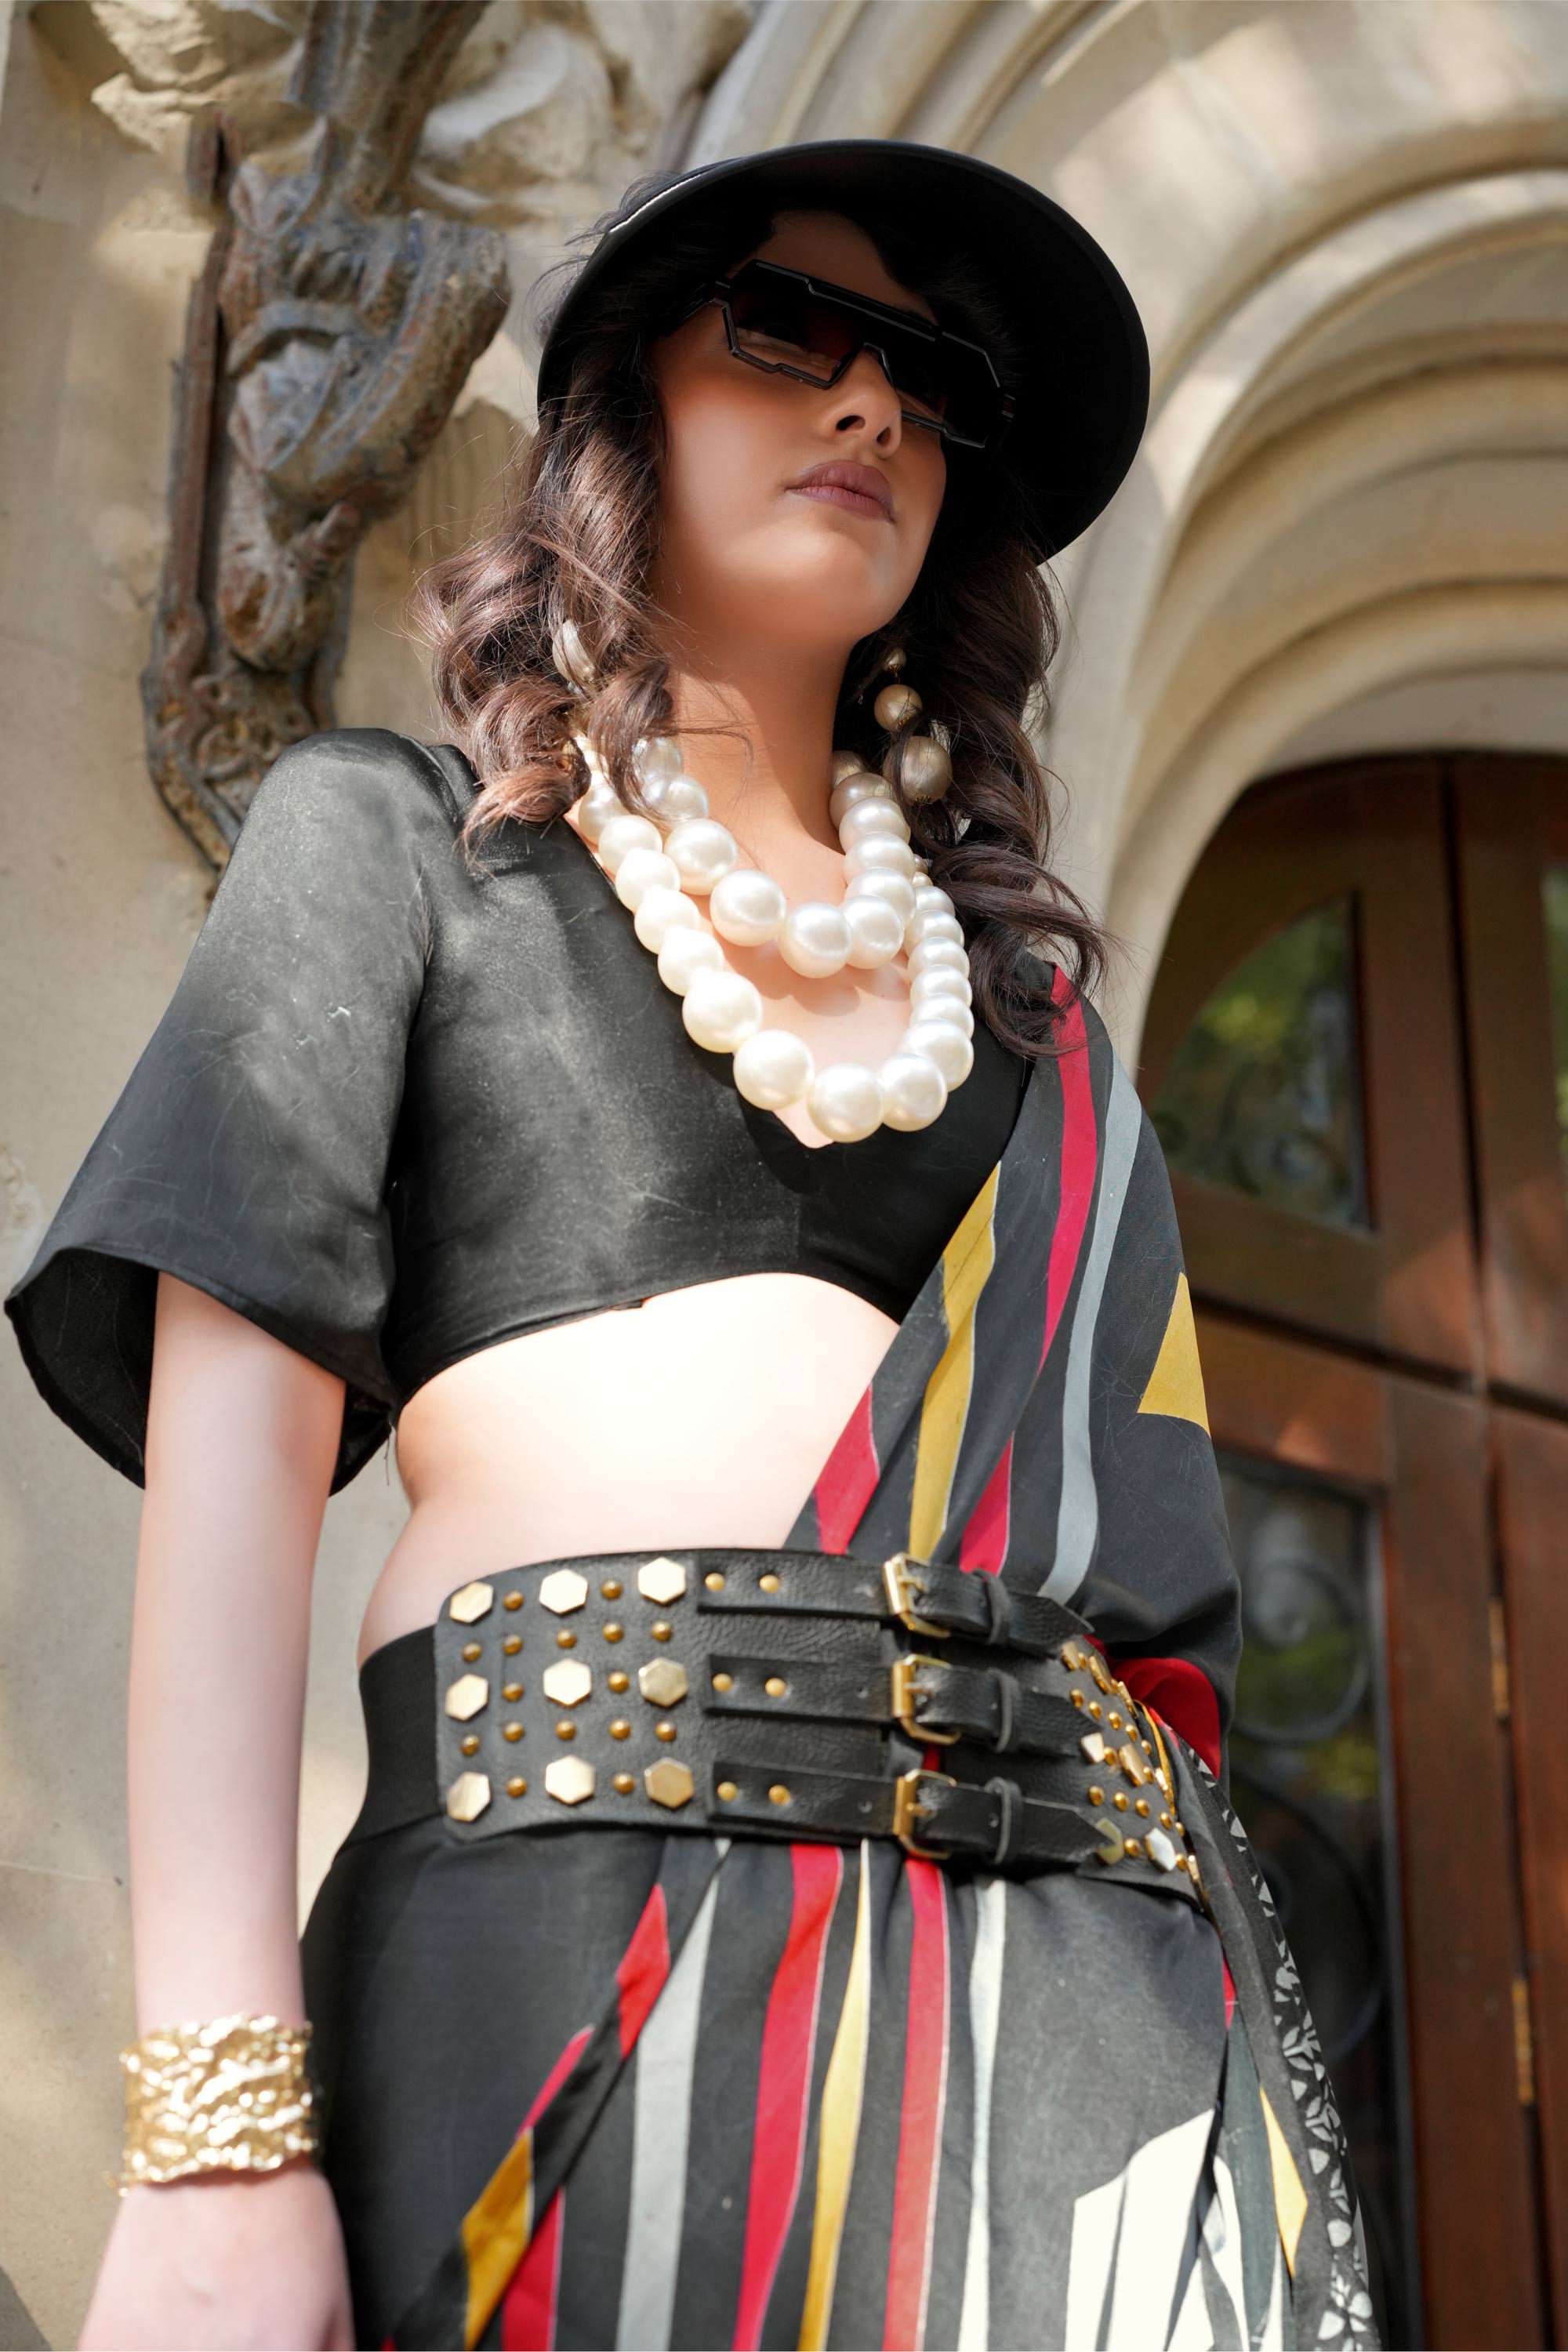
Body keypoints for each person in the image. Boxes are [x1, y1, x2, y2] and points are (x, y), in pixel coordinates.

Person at [7, 142, 1377, 2352]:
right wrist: (216, 2131)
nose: (871, 402)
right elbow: (226, 1489)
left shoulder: (1043, 1050)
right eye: (788, 326)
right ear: (623, 403)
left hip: (1056, 2045)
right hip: (547, 1954)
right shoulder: (392, 844)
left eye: (932, 377)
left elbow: (1158, 1672)